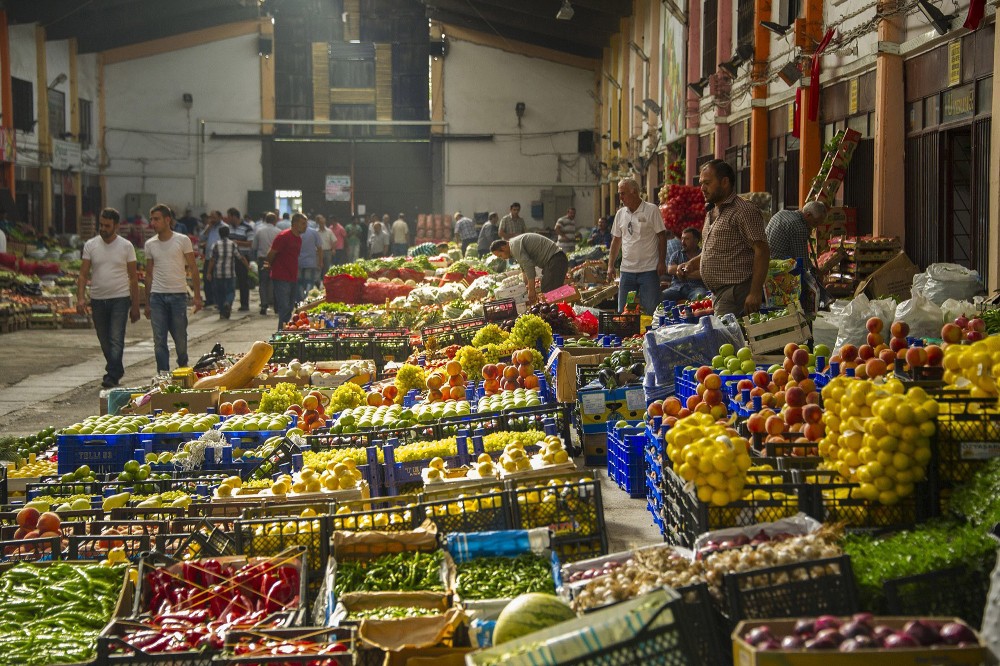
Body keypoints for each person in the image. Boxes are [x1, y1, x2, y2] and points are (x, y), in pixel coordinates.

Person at [683, 159, 769, 317]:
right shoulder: (711, 212)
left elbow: (762, 250)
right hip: (719, 294)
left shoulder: (743, 210)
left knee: (727, 340)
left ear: (724, 182)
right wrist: (692, 263)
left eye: (707, 183)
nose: (702, 188)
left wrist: (755, 292)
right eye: (701, 183)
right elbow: (716, 250)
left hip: (735, 292)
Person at [76, 207, 140, 388]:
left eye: (107, 225)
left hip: (120, 298)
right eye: (101, 225)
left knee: (116, 338)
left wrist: (135, 306)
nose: (103, 228)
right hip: (97, 299)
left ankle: (111, 375)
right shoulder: (91, 245)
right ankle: (116, 368)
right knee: (104, 339)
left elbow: (133, 278)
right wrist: (81, 298)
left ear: (116, 226)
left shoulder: (126, 247)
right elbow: (83, 275)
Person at [143, 204, 202, 373]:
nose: (153, 223)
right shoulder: (150, 244)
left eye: (157, 219)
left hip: (178, 296)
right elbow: (148, 273)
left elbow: (193, 268)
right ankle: (163, 373)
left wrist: (197, 296)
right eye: (152, 219)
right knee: (159, 339)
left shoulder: (182, 240)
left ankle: (183, 367)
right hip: (157, 297)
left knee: (180, 338)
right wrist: (147, 302)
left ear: (167, 220)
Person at [607, 177, 667, 315]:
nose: (620, 197)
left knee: (650, 310)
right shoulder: (620, 214)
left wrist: (662, 262)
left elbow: (662, 236)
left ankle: (648, 335)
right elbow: (616, 241)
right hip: (627, 271)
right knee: (625, 312)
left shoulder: (651, 210)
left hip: (649, 271)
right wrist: (610, 266)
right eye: (619, 194)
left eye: (623, 193)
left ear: (634, 192)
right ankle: (628, 336)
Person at [491, 234, 568, 304]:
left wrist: (531, 290)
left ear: (503, 247)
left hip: (555, 260)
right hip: (554, 260)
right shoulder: (514, 246)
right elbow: (524, 270)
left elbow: (529, 267)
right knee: (548, 290)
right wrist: (523, 289)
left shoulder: (514, 247)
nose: (503, 258)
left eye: (500, 255)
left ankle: (557, 314)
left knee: (548, 292)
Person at [266, 213, 307, 330]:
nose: (305, 226)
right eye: (303, 224)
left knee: (289, 308)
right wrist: (270, 265)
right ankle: (281, 333)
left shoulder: (298, 239)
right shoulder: (283, 236)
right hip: (281, 277)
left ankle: (285, 330)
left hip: (292, 276)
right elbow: (271, 254)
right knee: (284, 308)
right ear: (295, 224)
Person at [205, 224, 249, 319]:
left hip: (218, 274)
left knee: (219, 293)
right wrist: (247, 267)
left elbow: (212, 260)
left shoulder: (215, 244)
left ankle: (222, 312)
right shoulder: (233, 244)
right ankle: (227, 303)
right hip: (230, 274)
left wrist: (208, 272)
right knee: (230, 292)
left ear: (219, 234)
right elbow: (240, 257)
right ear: (228, 234)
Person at [663, 227, 709, 303]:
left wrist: (681, 272)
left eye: (687, 239)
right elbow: (670, 269)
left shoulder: (703, 255)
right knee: (661, 296)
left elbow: (703, 273)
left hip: (696, 288)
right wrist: (693, 272)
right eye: (682, 239)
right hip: (676, 288)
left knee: (700, 296)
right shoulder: (677, 254)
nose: (683, 242)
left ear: (696, 241)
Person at [252, 212, 281, 316]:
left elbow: (254, 246)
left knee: (263, 282)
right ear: (275, 220)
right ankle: (276, 305)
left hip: (262, 259)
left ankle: (264, 304)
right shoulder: (278, 232)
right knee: (275, 281)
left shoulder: (259, 231)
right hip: (275, 259)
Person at [226, 207, 254, 312]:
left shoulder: (247, 228)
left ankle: (244, 304)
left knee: (243, 282)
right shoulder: (228, 228)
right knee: (230, 282)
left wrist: (237, 242)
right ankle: (228, 303)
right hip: (230, 258)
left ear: (234, 216)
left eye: (229, 217)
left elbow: (250, 243)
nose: (228, 219)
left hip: (243, 257)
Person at [198, 210, 223, 308]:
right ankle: (209, 299)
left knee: (217, 280)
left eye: (214, 217)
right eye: (210, 217)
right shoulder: (209, 227)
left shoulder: (224, 227)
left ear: (219, 217)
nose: (212, 219)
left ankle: (218, 300)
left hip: (219, 257)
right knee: (207, 278)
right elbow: (201, 238)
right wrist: (208, 228)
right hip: (209, 256)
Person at [296, 219, 324, 301]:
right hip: (310, 262)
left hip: (298, 262)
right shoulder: (314, 232)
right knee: (309, 281)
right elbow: (319, 248)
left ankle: (301, 298)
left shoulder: (297, 233)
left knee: (299, 282)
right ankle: (307, 298)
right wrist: (320, 261)